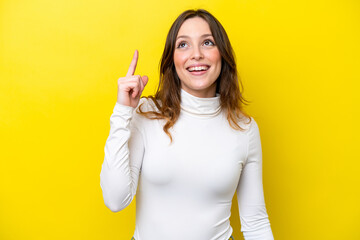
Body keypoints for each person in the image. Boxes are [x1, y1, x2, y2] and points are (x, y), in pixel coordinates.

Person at [100, 9, 274, 240]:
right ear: (172, 59)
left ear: (222, 54)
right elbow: (115, 199)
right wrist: (123, 111)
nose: (196, 54)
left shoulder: (245, 129)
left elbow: (256, 222)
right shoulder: (146, 112)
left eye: (208, 42)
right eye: (183, 45)